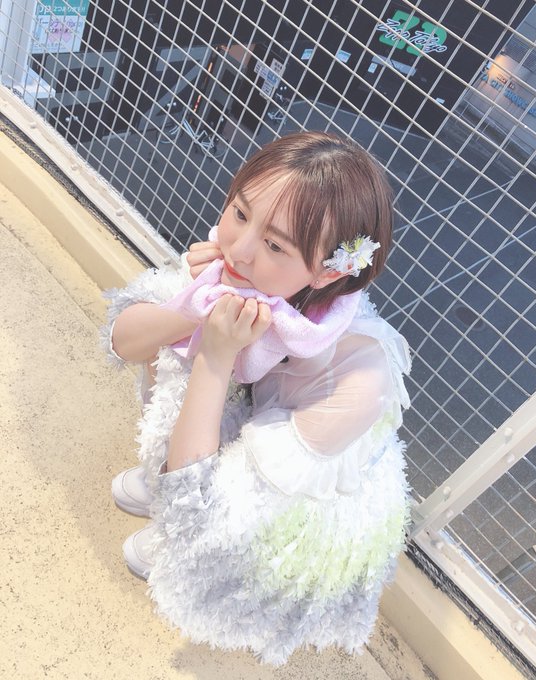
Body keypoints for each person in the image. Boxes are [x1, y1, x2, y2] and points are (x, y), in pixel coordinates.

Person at [102, 131, 411, 665]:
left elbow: (214, 504)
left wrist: (216, 355)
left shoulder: (354, 376)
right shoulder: (241, 269)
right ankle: (163, 480)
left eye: (275, 245)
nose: (239, 249)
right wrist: (193, 308)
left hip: (292, 509)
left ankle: (193, 549)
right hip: (255, 425)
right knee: (175, 355)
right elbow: (125, 341)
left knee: (199, 385)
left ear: (329, 270)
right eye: (240, 213)